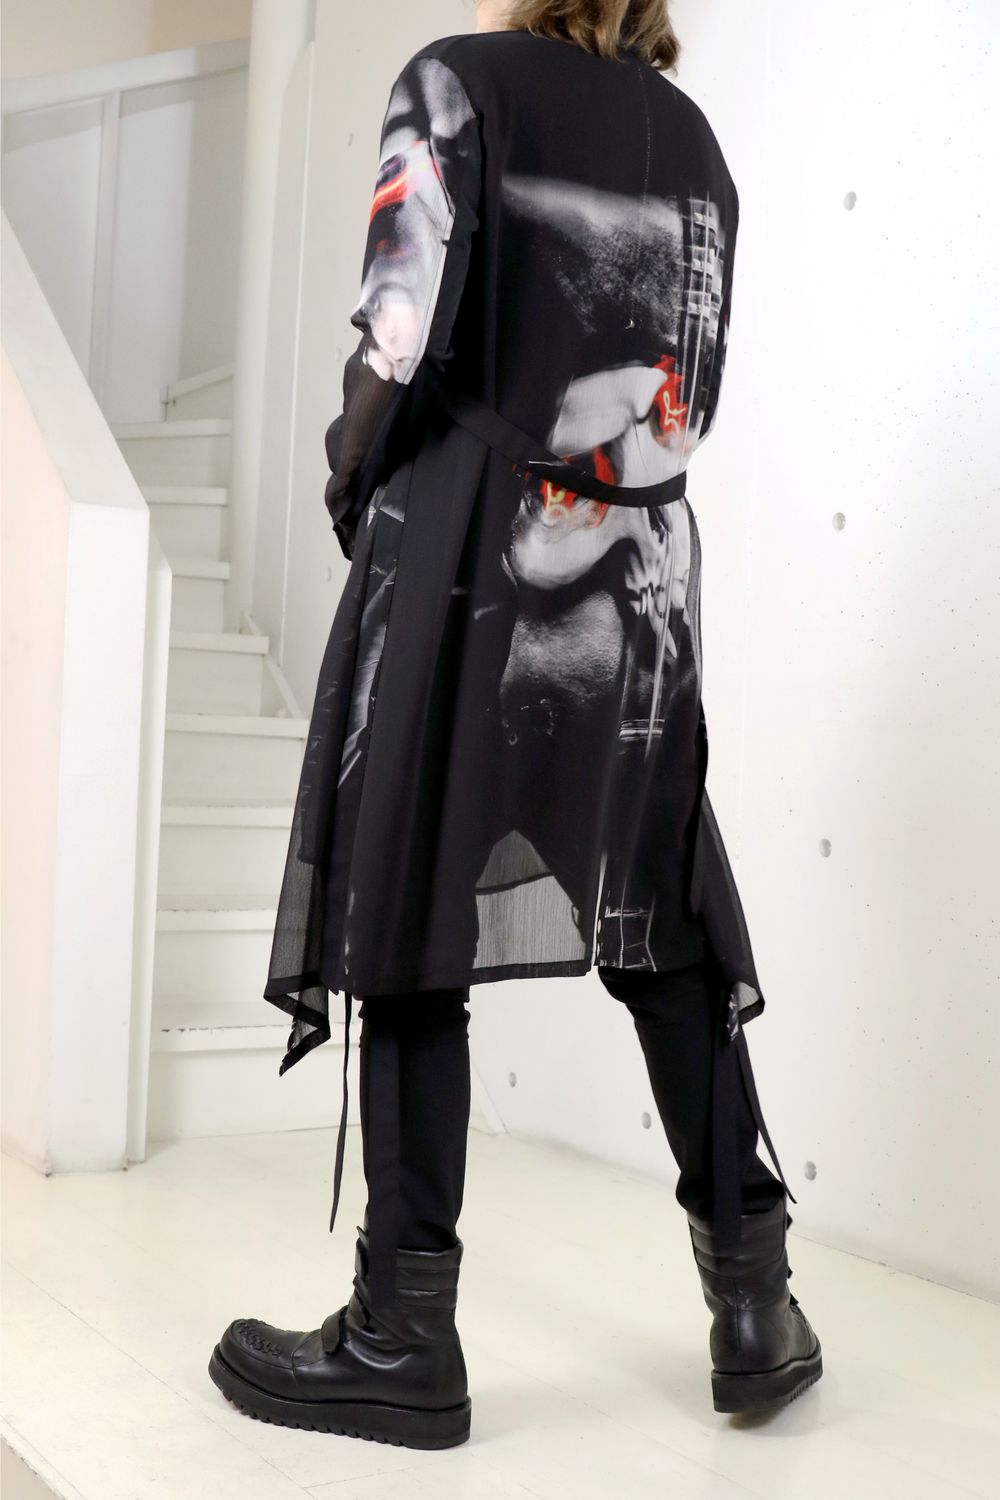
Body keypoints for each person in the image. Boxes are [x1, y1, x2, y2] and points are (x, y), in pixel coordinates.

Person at [208, 0, 823, 1447]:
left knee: (414, 905)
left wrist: (354, 479)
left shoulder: (456, 84)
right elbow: (691, 397)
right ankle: (755, 1302)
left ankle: (402, 1334)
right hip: (639, 570)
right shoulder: (694, 142)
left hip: (472, 553)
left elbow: (396, 337)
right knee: (662, 918)